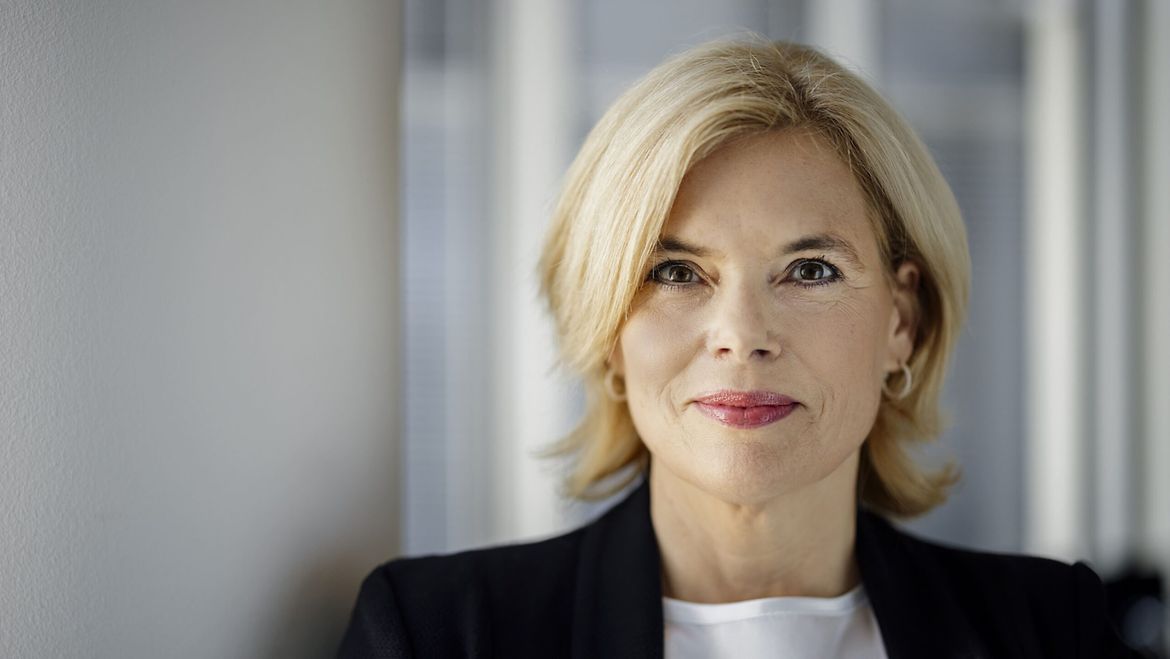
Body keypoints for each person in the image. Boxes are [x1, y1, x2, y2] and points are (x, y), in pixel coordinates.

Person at [338, 39, 1136, 658]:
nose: (743, 336)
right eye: (676, 272)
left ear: (902, 321)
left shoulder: (1051, 629)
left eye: (810, 270)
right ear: (608, 331)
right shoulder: (436, 633)